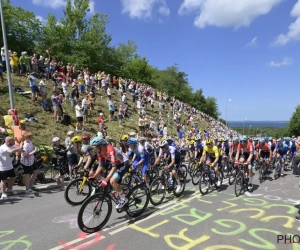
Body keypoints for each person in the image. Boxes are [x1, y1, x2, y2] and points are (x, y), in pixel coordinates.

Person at [90, 137, 129, 209]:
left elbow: (114, 167)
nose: (93, 150)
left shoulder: (110, 149)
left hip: (123, 163)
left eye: (94, 148)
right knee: (109, 179)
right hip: (116, 165)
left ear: (101, 146)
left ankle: (124, 199)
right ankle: (118, 191)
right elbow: (100, 165)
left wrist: (106, 180)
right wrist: (94, 175)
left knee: (112, 181)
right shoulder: (100, 152)